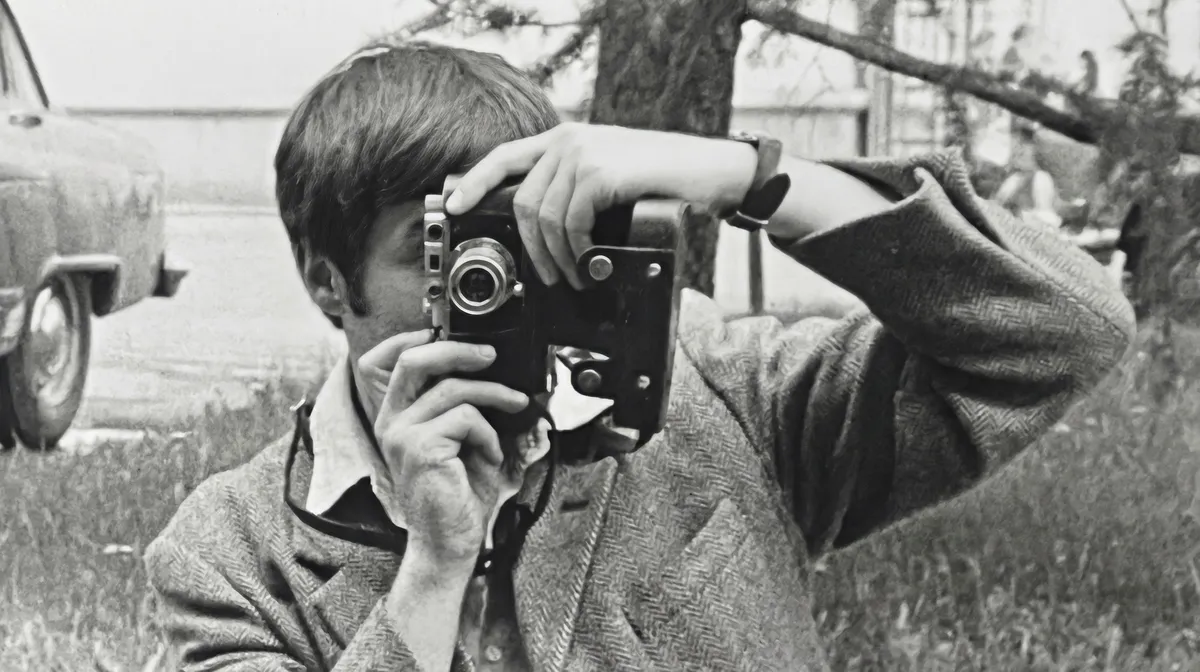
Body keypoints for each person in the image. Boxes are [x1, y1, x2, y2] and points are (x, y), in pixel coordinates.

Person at [144, 41, 1137, 671]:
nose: (496, 292)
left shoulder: (709, 390)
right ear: (328, 283)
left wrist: (751, 176)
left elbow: (1059, 334)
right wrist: (434, 568)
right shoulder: (232, 554)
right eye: (444, 256)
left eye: (517, 237)